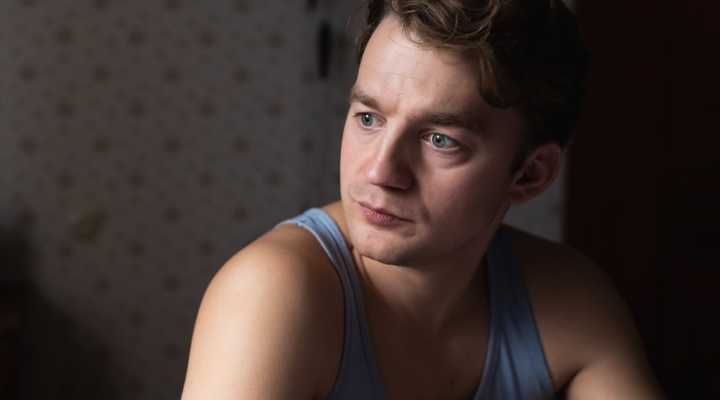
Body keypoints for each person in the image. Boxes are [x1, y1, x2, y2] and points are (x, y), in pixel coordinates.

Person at [181, 0, 665, 399]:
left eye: (440, 140)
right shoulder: (270, 294)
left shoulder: (570, 300)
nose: (379, 172)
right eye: (368, 118)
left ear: (529, 174)